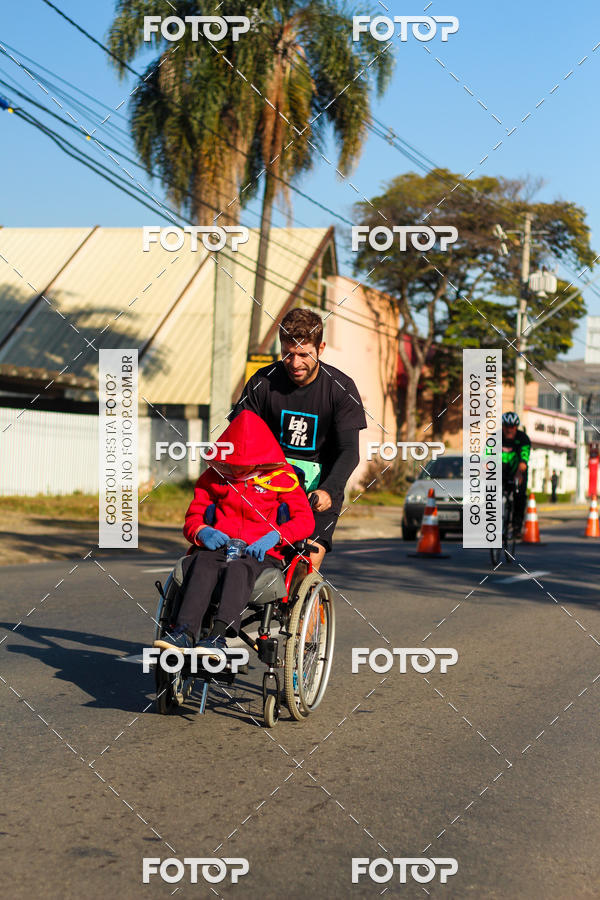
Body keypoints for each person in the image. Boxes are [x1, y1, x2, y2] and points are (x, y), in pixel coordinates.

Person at [154, 410, 315, 655]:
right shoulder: (214, 477)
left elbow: (305, 521)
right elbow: (192, 518)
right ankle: (184, 633)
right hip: (218, 547)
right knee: (202, 562)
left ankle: (218, 637)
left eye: (243, 465)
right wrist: (202, 531)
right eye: (232, 464)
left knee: (239, 568)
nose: (236, 471)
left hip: (262, 552)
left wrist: (276, 535)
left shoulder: (284, 478)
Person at [230, 308, 367, 570]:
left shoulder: (341, 388)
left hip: (319, 488)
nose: (295, 363)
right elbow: (239, 435)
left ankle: (296, 606)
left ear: (321, 348)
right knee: (246, 552)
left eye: (304, 354)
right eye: (288, 354)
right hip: (267, 482)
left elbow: (349, 451)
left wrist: (329, 488)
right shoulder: (263, 382)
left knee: (305, 561)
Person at [501, 411, 531, 534]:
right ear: (503, 426)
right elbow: (487, 456)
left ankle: (517, 524)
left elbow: (524, 459)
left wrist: (519, 474)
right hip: (500, 471)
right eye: (506, 427)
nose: (509, 430)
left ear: (516, 427)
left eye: (512, 427)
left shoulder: (523, 438)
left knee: (519, 494)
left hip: (518, 470)